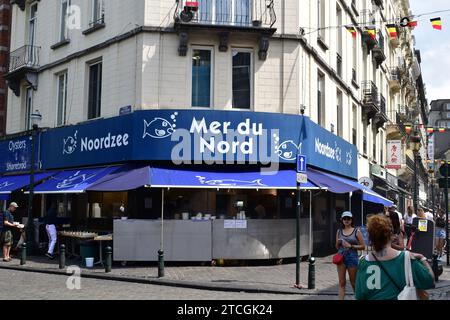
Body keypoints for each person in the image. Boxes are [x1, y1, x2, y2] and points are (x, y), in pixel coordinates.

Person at [355, 215, 434, 300]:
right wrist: (423, 258)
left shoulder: (363, 262)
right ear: (391, 235)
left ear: (371, 238)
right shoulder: (406, 258)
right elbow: (429, 280)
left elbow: (359, 296)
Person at [335, 211, 365, 300]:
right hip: (341, 257)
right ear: (342, 220)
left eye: (348, 218)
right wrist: (337, 243)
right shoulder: (339, 231)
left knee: (353, 282)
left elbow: (363, 246)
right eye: (345, 218)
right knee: (341, 282)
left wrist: (351, 246)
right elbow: (337, 247)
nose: (346, 220)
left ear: (352, 220)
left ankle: (358, 298)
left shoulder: (356, 231)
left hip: (352, 257)